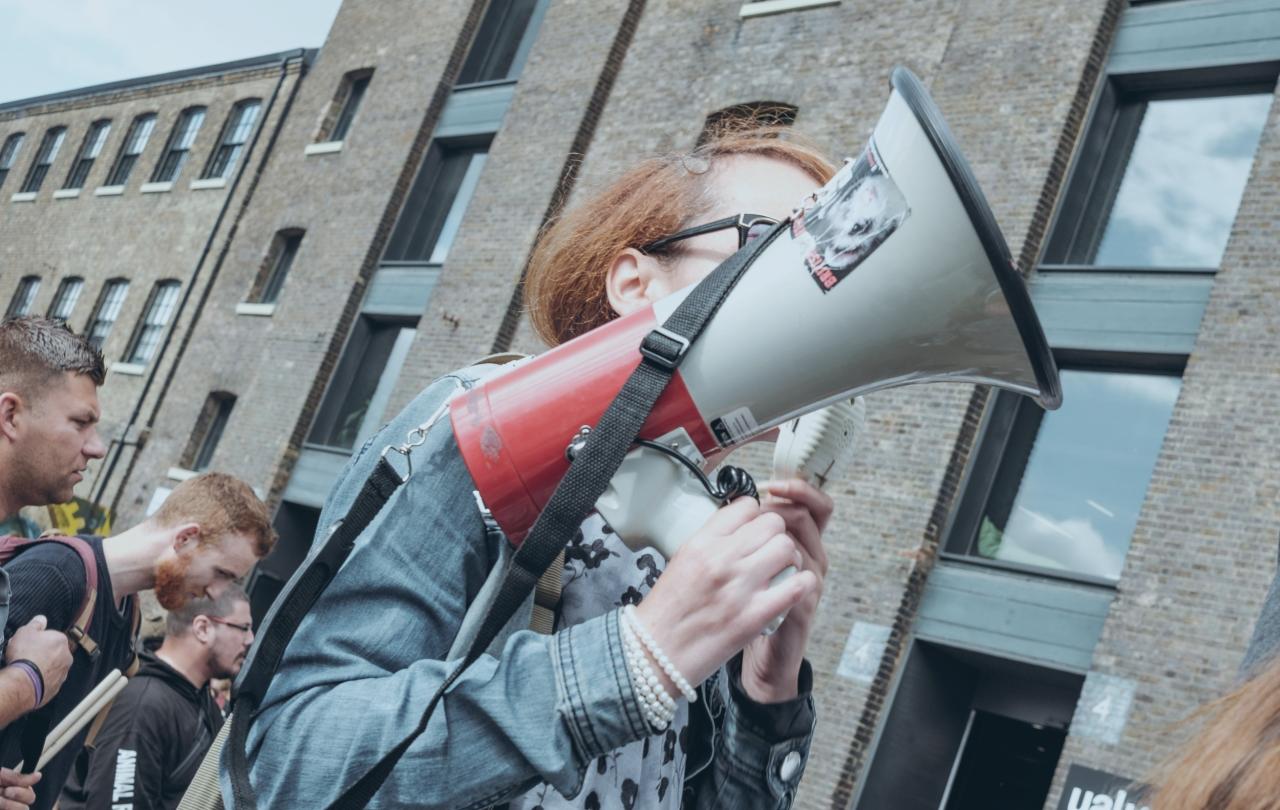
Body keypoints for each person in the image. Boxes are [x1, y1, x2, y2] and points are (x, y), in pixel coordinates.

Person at [235, 130, 839, 809]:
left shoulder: (715, 522)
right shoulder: (487, 429)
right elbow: (291, 760)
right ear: (634, 284)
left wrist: (766, 693)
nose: (810, 281)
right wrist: (634, 662)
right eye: (768, 241)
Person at [0, 472, 274, 810]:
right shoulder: (57, 573)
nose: (216, 592)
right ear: (186, 537)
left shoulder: (128, 617)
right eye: (222, 573)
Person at [60, 584, 252, 810]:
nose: (250, 639)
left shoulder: (200, 700)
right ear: (202, 628)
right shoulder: (144, 705)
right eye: (243, 627)